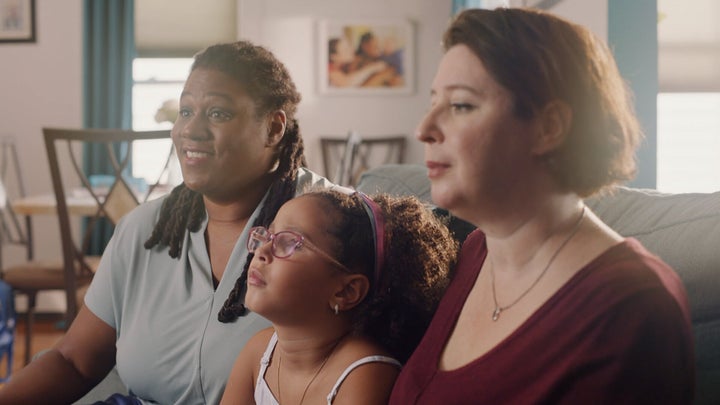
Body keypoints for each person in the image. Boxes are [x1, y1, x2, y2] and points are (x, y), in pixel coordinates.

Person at [390, 7, 695, 404]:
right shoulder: (476, 252)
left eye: (461, 105)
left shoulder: (631, 308)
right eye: (433, 102)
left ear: (549, 128)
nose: (424, 128)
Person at [0, 41, 332, 404]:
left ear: (273, 127)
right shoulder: (144, 230)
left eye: (218, 113)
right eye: (186, 111)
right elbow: (73, 360)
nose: (191, 130)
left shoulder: (328, 229)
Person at [220, 189, 457, 404]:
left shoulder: (365, 373)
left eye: (290, 242)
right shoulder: (259, 351)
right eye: (268, 235)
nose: (261, 251)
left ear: (346, 291)